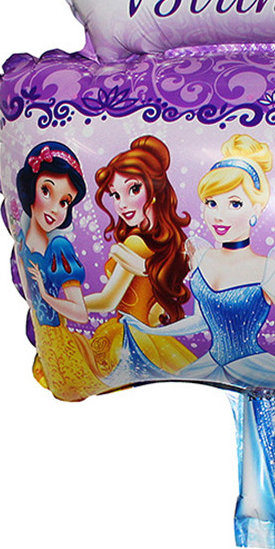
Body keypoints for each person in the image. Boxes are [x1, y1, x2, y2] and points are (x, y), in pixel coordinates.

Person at [119, 134, 275, 388]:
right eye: (212, 203)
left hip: (253, 368)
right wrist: (150, 330)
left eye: (235, 204)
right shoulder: (201, 256)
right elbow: (201, 320)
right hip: (210, 365)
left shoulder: (269, 269)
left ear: (256, 210)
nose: (219, 216)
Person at [85, 136, 196, 376]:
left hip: (130, 338)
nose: (122, 204)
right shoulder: (170, 242)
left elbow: (107, 301)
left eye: (133, 189)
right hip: (153, 336)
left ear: (154, 189)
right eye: (115, 195)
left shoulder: (135, 244)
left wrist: (65, 305)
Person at [14, 142, 106, 401]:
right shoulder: (22, 240)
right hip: (47, 346)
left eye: (65, 201)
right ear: (30, 187)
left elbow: (80, 312)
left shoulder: (59, 249)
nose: (56, 208)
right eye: (47, 191)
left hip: (60, 345)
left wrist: (46, 295)